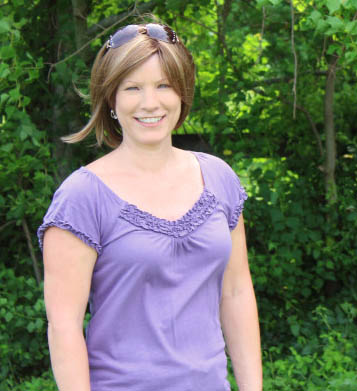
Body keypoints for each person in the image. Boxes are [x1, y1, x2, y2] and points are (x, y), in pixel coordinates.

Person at [37, 21, 262, 391]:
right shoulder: (82, 197)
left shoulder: (219, 179)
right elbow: (64, 327)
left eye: (163, 86)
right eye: (132, 88)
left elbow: (236, 294)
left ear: (182, 93)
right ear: (110, 99)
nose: (150, 103)